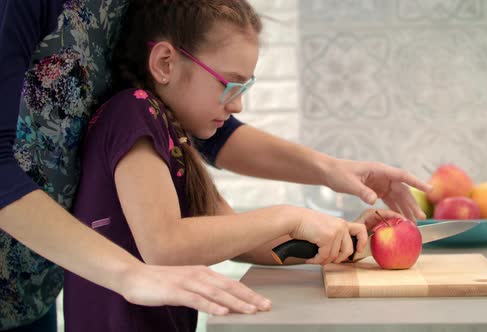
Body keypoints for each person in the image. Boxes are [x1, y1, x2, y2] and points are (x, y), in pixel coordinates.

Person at [0, 0, 430, 331]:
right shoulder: (132, 114)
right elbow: (164, 244)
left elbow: (232, 236)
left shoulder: (170, 127)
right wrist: (290, 215)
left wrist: (332, 237)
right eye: (231, 85)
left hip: (37, 289)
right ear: (164, 63)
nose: (238, 103)